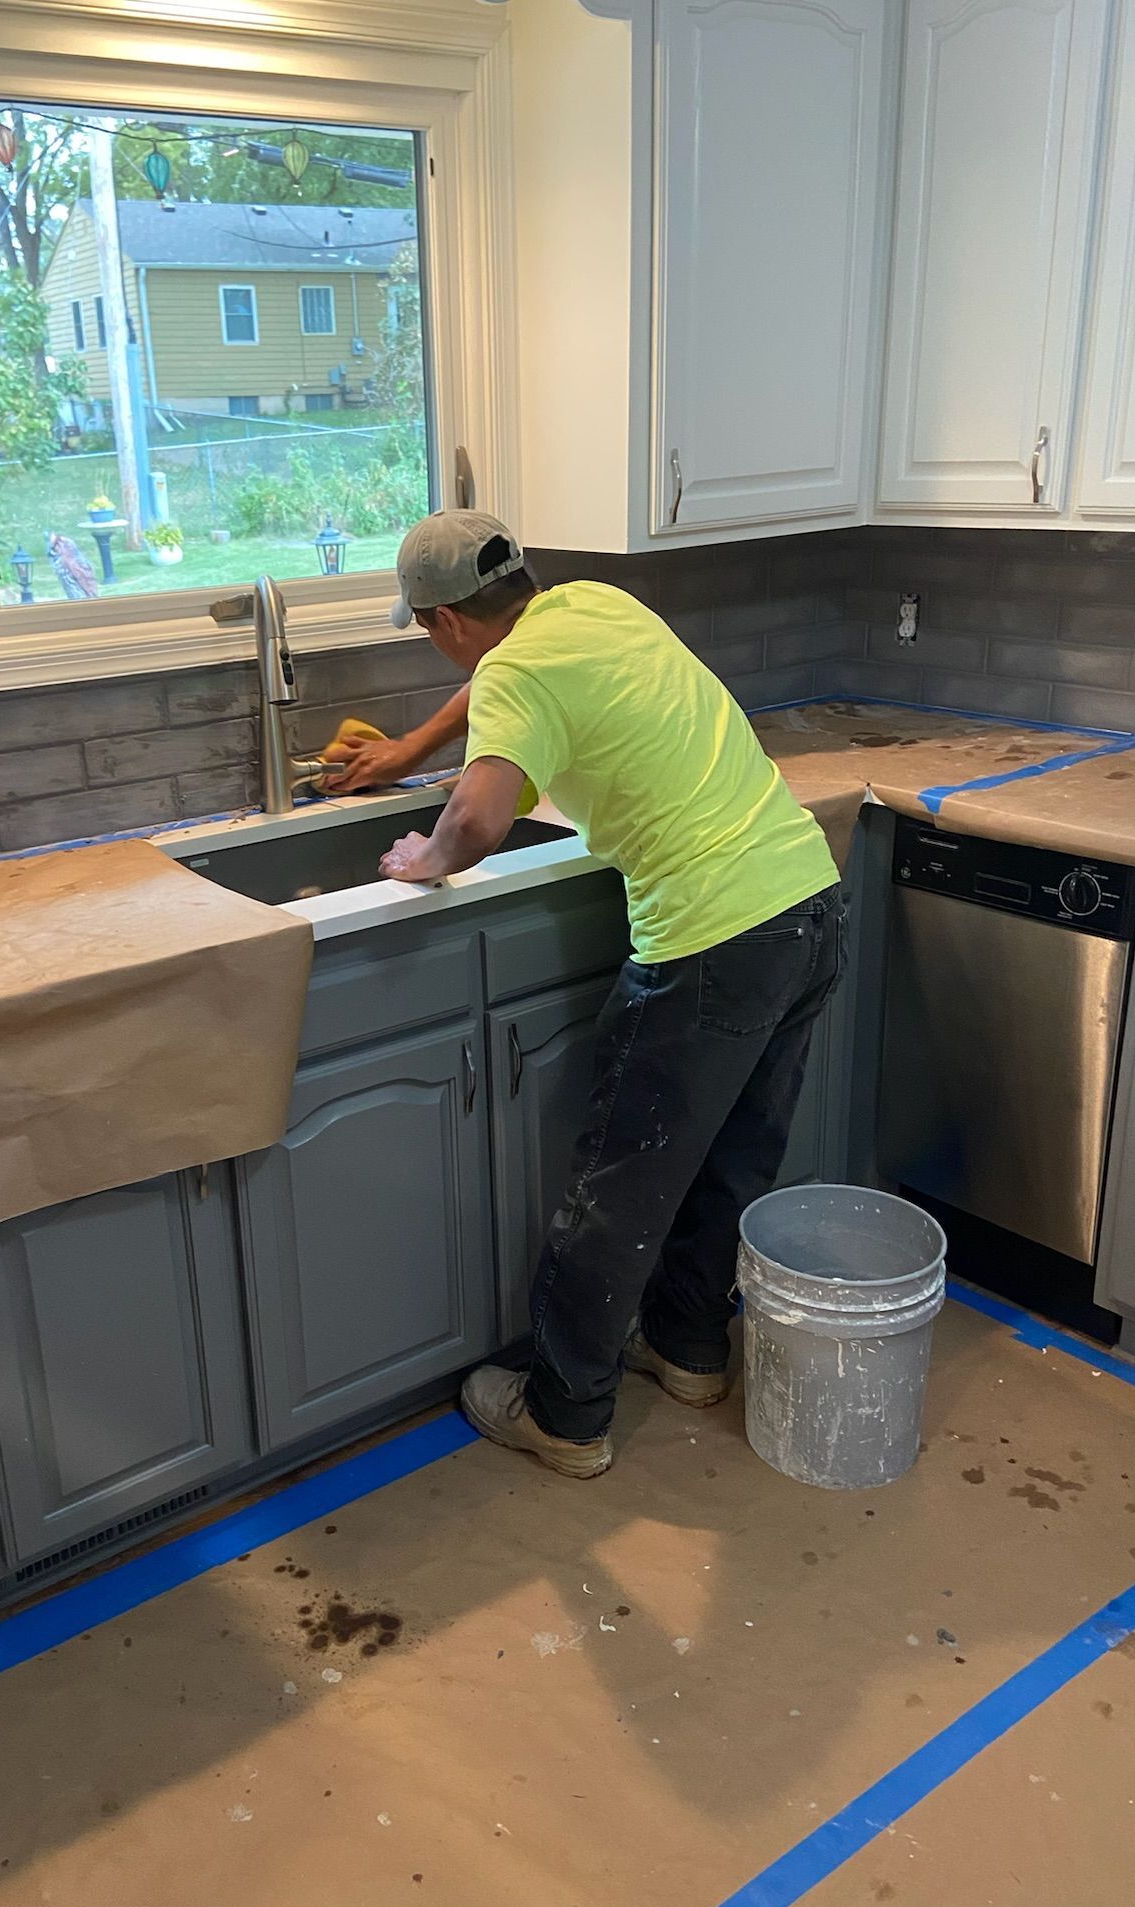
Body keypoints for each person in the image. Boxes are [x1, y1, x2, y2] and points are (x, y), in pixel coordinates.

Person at [339, 509, 843, 1479]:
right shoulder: (597, 606)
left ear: (443, 622)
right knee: (731, 1160)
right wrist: (409, 750)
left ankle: (566, 1413)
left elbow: (481, 813)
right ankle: (690, 1352)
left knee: (614, 1190)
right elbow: (500, 692)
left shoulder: (513, 674)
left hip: (707, 940)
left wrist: (424, 856)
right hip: (805, 906)